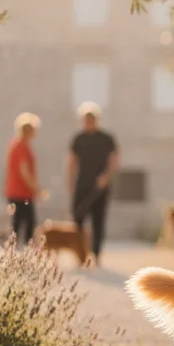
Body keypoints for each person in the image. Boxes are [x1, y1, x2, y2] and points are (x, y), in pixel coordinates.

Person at [68, 102, 118, 266]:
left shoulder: (107, 139)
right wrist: (70, 183)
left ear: (96, 120)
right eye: (86, 119)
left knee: (98, 221)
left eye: (91, 119)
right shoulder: (78, 139)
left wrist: (107, 176)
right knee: (78, 219)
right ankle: (80, 254)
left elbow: (113, 160)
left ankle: (96, 254)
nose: (88, 122)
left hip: (100, 187)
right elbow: (72, 162)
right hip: (82, 185)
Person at [5, 112, 42, 245]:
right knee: (27, 221)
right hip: (21, 192)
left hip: (19, 192)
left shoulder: (18, 145)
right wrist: (35, 188)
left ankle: (15, 248)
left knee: (18, 221)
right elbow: (24, 171)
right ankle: (25, 248)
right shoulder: (21, 146)